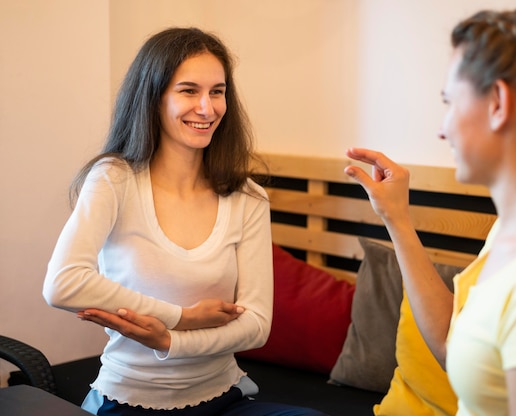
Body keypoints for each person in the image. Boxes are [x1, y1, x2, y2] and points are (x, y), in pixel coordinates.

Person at [345, 7, 516, 415]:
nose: (442, 129)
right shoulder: (512, 235)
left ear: (497, 102)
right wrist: (397, 219)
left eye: (449, 102)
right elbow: (450, 345)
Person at [43, 27, 327, 416]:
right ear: (153, 97)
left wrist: (171, 341)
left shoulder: (247, 197)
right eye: (189, 90)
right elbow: (63, 283)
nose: (207, 108)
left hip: (224, 398)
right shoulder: (114, 179)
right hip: (130, 400)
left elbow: (257, 325)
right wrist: (183, 317)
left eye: (217, 91)